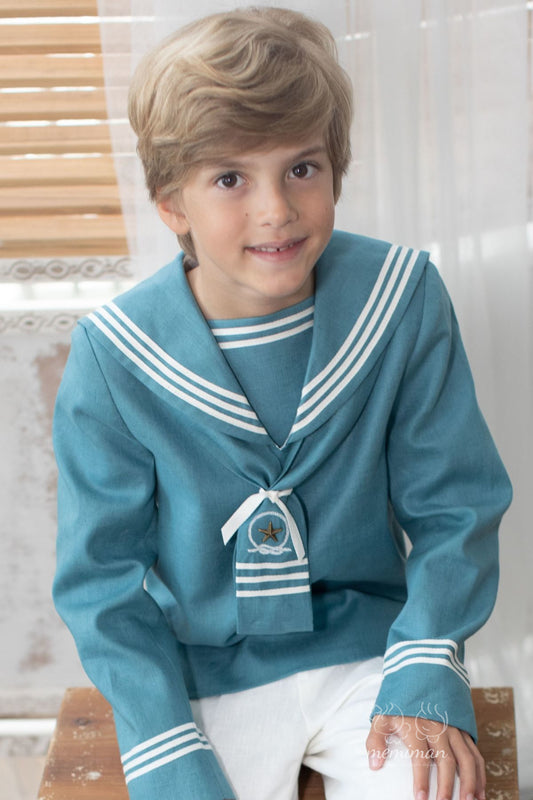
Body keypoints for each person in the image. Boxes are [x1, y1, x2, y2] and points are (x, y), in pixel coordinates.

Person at [52, 7, 512, 800]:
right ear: (171, 204)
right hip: (205, 673)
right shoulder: (114, 354)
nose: (276, 209)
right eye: (230, 178)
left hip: (373, 654)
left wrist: (426, 653)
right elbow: (101, 581)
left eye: (301, 168)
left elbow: (455, 504)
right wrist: (161, 738)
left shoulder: (400, 299)